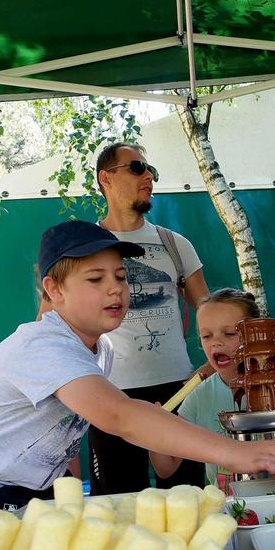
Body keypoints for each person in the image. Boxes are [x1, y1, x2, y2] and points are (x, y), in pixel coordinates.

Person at [0, 222, 275, 524]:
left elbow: (66, 440)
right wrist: (237, 452)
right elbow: (121, 416)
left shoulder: (101, 349)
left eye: (121, 276)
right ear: (55, 290)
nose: (116, 288)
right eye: (95, 279)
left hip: (29, 500)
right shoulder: (42, 346)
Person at [89, 141, 210, 494]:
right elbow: (49, 326)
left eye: (151, 171)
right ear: (105, 179)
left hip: (179, 387)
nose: (149, 178)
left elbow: (208, 311)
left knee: (187, 499)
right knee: (116, 505)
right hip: (111, 394)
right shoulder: (84, 248)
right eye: (137, 168)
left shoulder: (176, 244)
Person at [150, 288, 275, 490]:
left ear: (255, 335)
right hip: (229, 508)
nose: (216, 342)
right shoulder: (198, 397)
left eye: (229, 334)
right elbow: (166, 467)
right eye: (206, 336)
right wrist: (154, 429)